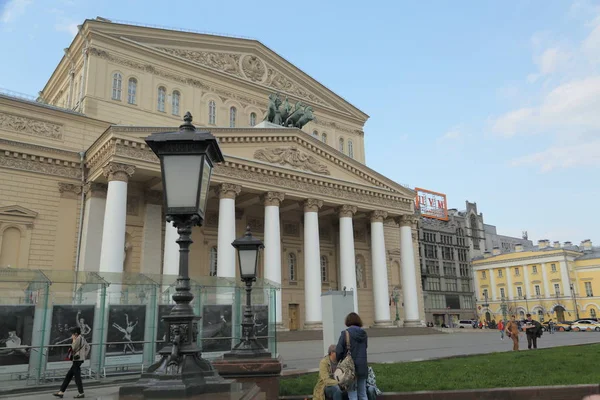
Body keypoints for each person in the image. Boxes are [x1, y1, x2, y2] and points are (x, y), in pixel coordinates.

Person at [336, 312, 368, 400]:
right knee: (363, 393)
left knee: (352, 394)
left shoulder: (345, 333)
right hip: (362, 367)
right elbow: (365, 348)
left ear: (348, 321)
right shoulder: (364, 334)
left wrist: (339, 360)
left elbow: (339, 350)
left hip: (350, 368)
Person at [53, 327, 87, 398]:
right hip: (78, 360)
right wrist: (83, 355)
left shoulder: (78, 339)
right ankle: (61, 392)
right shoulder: (82, 338)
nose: (71, 335)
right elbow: (88, 347)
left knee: (77, 377)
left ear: (76, 334)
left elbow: (73, 347)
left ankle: (81, 393)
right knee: (69, 376)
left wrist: (74, 340)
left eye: (72, 333)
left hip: (77, 360)